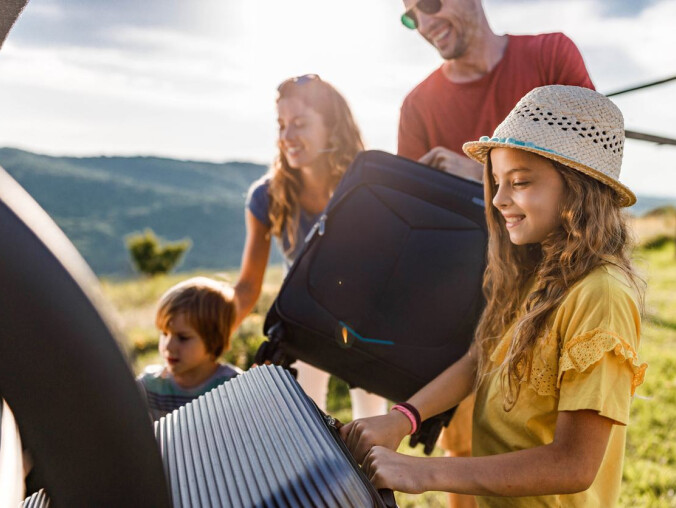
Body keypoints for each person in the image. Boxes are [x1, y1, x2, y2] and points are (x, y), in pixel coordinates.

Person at [340, 85, 647, 507]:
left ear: (579, 189)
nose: (499, 200)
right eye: (497, 182)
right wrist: (403, 418)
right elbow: (481, 358)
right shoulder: (535, 270)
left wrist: (423, 471)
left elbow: (574, 464)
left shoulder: (601, 295)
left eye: (519, 182)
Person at [396, 3, 594, 505]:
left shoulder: (550, 55)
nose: (424, 22)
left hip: (561, 289)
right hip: (470, 307)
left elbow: (591, 168)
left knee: (555, 438)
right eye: (410, 15)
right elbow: (415, 231)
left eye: (431, 4)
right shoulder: (418, 105)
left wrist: (477, 181)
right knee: (467, 454)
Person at [232, 74, 387, 419]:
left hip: (366, 326)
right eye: (281, 125)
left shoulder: (370, 190)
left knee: (373, 435)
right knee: (300, 429)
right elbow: (247, 287)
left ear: (332, 128)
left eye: (299, 124)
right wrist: (212, 334)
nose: (287, 137)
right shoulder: (266, 196)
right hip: (302, 323)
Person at [137, 276, 241, 420]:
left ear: (214, 339)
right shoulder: (149, 387)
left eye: (183, 338)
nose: (168, 346)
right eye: (165, 334)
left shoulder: (234, 387)